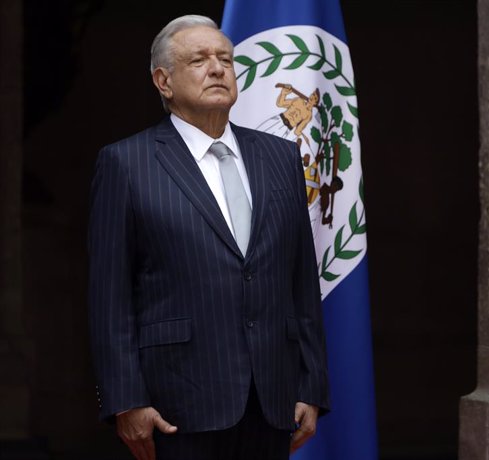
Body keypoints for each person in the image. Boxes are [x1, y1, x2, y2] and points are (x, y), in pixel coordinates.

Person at [88, 15, 329, 460]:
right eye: (199, 60)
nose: (218, 69)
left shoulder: (280, 157)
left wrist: (311, 385)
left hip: (272, 402)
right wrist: (125, 399)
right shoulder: (126, 163)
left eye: (225, 59)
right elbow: (110, 296)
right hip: (176, 404)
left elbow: (301, 280)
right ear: (163, 81)